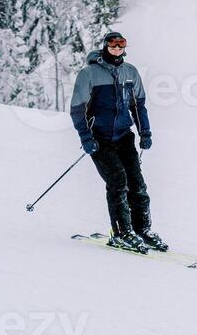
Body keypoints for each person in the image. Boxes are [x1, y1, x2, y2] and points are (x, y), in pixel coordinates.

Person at [70, 30, 168, 254]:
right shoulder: (89, 74)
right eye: (112, 45)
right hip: (100, 139)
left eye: (121, 45)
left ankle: (142, 230)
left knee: (137, 184)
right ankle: (121, 233)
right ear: (105, 46)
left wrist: (146, 133)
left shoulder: (130, 72)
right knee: (117, 182)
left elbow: (138, 105)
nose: (117, 49)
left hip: (124, 137)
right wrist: (86, 138)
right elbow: (77, 110)